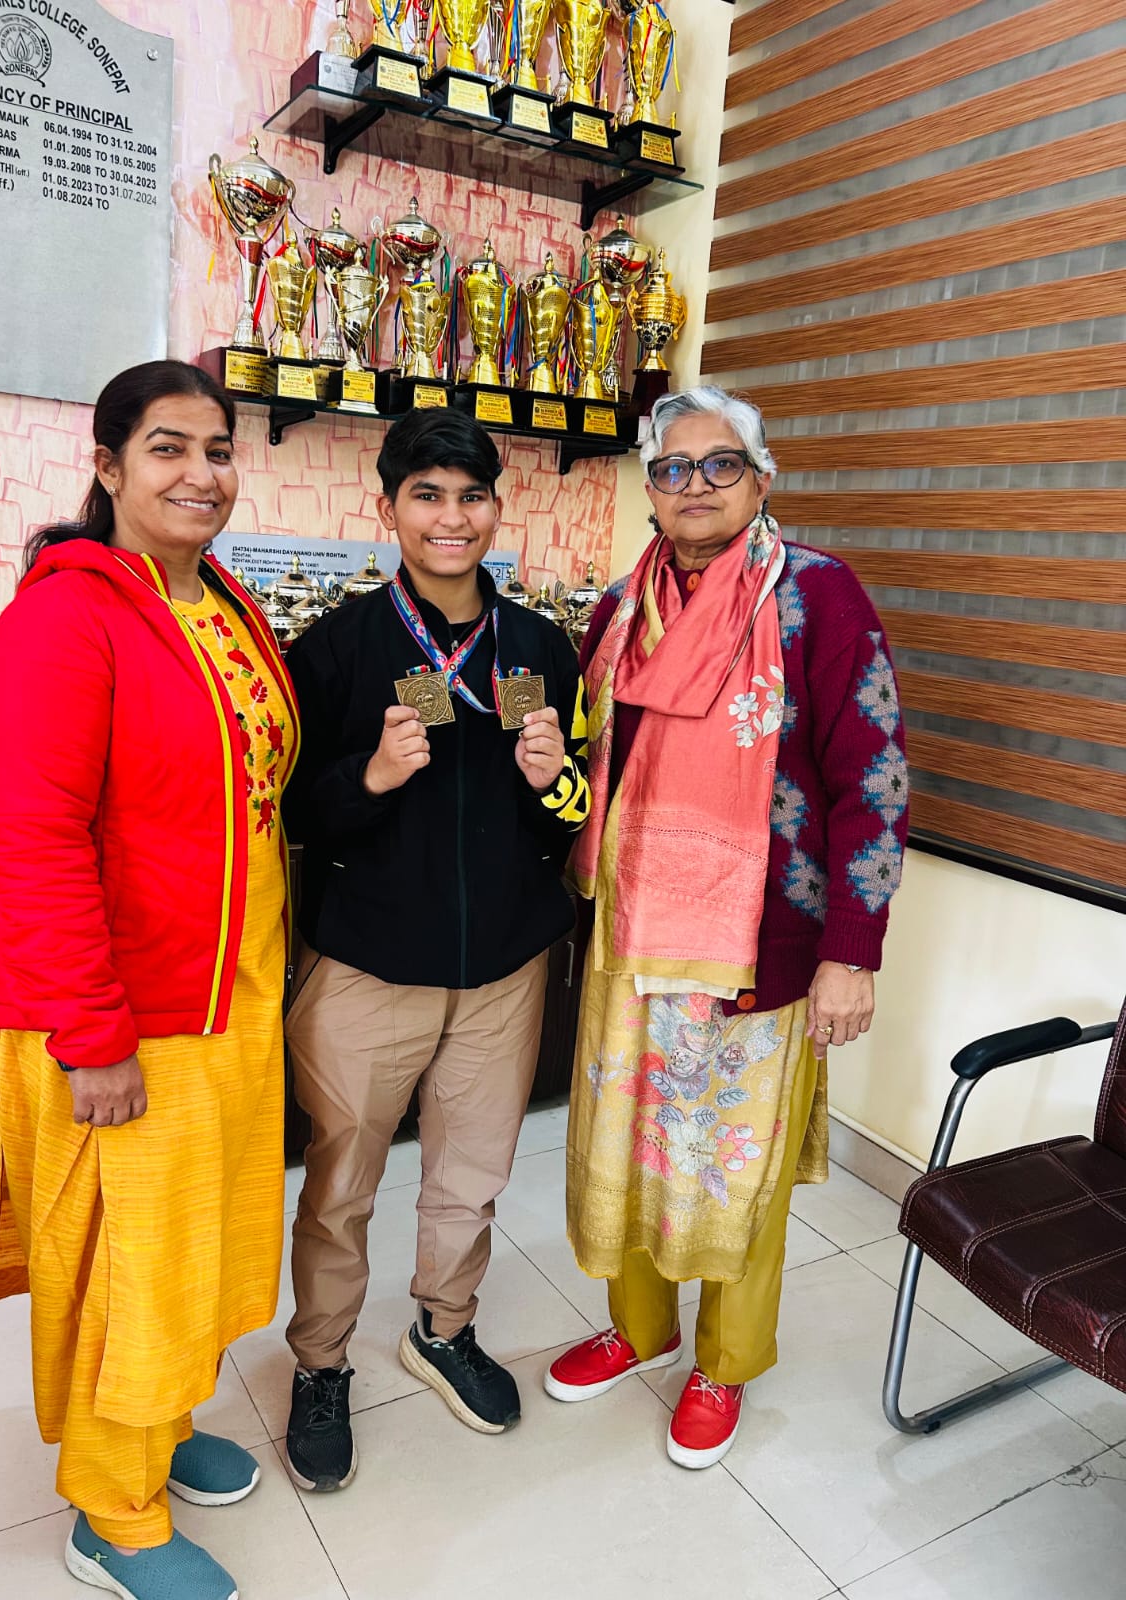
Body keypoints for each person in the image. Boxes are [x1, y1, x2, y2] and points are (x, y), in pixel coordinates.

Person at [0, 360, 299, 1600]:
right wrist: (94, 1034)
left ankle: (159, 1424)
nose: (201, 474)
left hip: (227, 993)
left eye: (218, 449)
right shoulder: (67, 617)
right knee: (131, 1270)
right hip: (127, 1011)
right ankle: (113, 1514)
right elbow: (37, 841)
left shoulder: (221, 600)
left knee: (189, 1252)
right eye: (168, 448)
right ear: (107, 466)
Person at [544, 386, 908, 1468]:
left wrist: (850, 951)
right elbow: (594, 762)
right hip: (629, 937)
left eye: (720, 464)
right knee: (627, 1140)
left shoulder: (817, 597)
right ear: (650, 486)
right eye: (671, 466)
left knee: (731, 1159)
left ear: (763, 477)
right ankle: (640, 1328)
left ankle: (725, 1361)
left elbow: (875, 779)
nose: (693, 485)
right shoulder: (623, 607)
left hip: (755, 940)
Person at [281, 408, 589, 1490]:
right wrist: (368, 778)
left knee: (471, 1175)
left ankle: (443, 1328)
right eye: (427, 495)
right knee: (340, 1184)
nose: (451, 518)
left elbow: (572, 813)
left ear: (495, 509)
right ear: (390, 509)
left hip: (504, 967)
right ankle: (321, 1363)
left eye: (471, 496)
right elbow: (290, 813)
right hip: (366, 966)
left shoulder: (540, 647)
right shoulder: (336, 648)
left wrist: (553, 777)